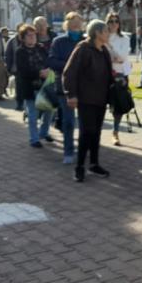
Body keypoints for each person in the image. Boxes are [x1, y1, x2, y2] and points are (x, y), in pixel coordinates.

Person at [63, 20, 113, 182]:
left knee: (96, 133)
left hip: (101, 99)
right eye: (106, 31)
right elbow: (70, 72)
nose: (108, 33)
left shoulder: (103, 50)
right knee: (86, 133)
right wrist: (71, 94)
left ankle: (94, 164)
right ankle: (79, 167)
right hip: (86, 99)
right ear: (97, 33)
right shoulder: (83, 49)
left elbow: (107, 73)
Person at [48, 11, 85, 164]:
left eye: (78, 24)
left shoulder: (86, 41)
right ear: (67, 25)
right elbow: (52, 61)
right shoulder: (58, 41)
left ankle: (84, 149)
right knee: (68, 121)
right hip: (65, 88)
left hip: (84, 88)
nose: (76, 27)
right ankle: (68, 151)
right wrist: (71, 67)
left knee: (84, 123)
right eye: (73, 24)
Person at [15, 24, 53, 148]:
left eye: (34, 35)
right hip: (30, 87)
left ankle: (44, 132)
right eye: (29, 35)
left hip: (45, 85)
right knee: (33, 114)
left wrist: (48, 70)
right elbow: (22, 70)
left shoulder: (41, 48)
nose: (32, 38)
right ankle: (34, 139)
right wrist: (39, 73)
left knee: (49, 111)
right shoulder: (20, 52)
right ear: (23, 38)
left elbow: (49, 61)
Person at [105, 12, 132, 146]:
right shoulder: (102, 37)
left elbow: (121, 57)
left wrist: (109, 47)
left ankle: (115, 132)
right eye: (111, 21)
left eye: (116, 21)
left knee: (118, 105)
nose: (114, 23)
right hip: (102, 74)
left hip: (119, 75)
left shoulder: (124, 38)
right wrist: (113, 58)